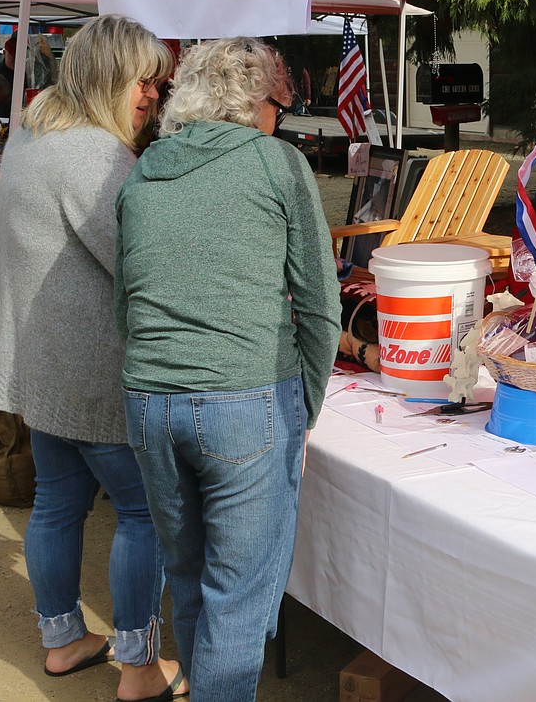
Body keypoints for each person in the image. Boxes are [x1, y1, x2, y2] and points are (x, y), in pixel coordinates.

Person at [114, 37, 341, 701]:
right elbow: (322, 308)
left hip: (149, 399)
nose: (281, 118)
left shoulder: (144, 170)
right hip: (244, 399)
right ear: (251, 104)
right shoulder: (276, 163)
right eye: (278, 104)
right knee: (237, 601)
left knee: (191, 581)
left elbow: (126, 304)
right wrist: (303, 409)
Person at [0, 15, 187, 702]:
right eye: (145, 82)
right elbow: (145, 267)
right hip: (94, 369)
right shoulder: (99, 159)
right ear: (110, 79)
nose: (154, 95)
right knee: (143, 511)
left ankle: (63, 639)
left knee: (59, 505)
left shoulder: (39, 132)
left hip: (43, 366)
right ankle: (138, 667)